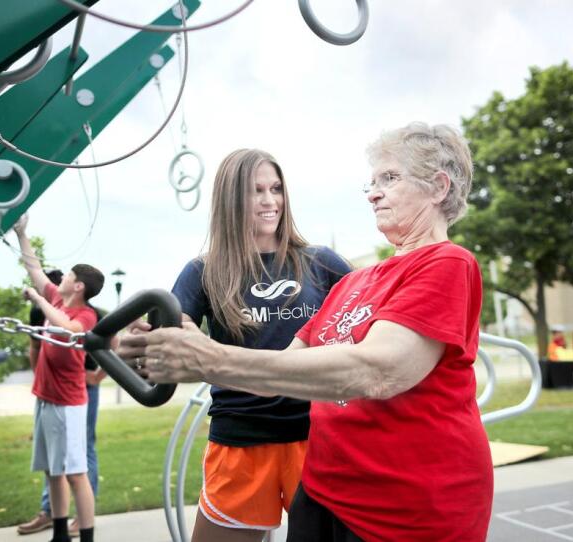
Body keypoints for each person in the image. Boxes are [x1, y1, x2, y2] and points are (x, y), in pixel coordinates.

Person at [121, 123, 492, 541]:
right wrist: (170, 342)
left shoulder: (445, 263)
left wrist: (207, 358)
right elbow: (278, 371)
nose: (372, 193)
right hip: (325, 493)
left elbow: (380, 370)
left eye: (389, 179)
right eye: (371, 182)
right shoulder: (355, 283)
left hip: (405, 504)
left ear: (439, 187)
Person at [125, 148, 351, 541]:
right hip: (240, 441)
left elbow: (367, 319)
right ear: (231, 199)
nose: (270, 201)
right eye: (256, 190)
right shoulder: (203, 271)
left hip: (316, 438)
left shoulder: (322, 263)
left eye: (276, 189)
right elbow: (174, 334)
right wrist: (144, 342)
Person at [13, 214, 104, 542]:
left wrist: (38, 301)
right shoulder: (56, 299)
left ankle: (87, 536)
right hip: (46, 399)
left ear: (78, 285)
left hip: (68, 405)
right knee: (53, 471)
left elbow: (67, 329)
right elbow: (34, 268)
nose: (61, 277)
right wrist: (23, 234)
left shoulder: (85, 315)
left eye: (68, 275)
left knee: (76, 474)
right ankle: (60, 534)